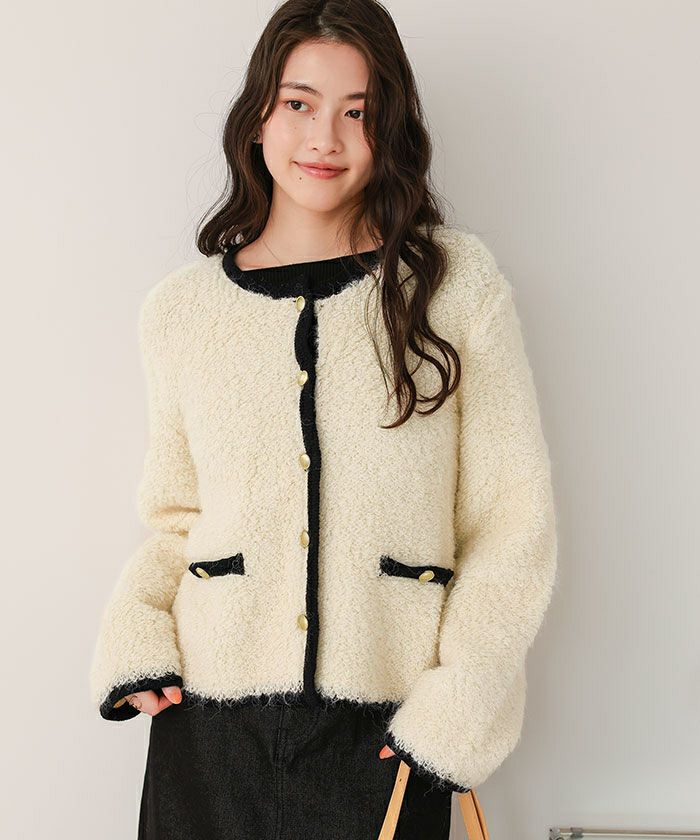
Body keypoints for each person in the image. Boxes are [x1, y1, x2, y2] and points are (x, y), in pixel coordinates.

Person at [89, 0, 558, 837]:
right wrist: (135, 637)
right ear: (258, 115)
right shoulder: (181, 312)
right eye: (299, 103)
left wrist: (459, 705)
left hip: (386, 737)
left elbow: (511, 522)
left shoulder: (454, 288)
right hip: (206, 735)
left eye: (357, 113)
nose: (324, 139)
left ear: (389, 130)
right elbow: (175, 520)